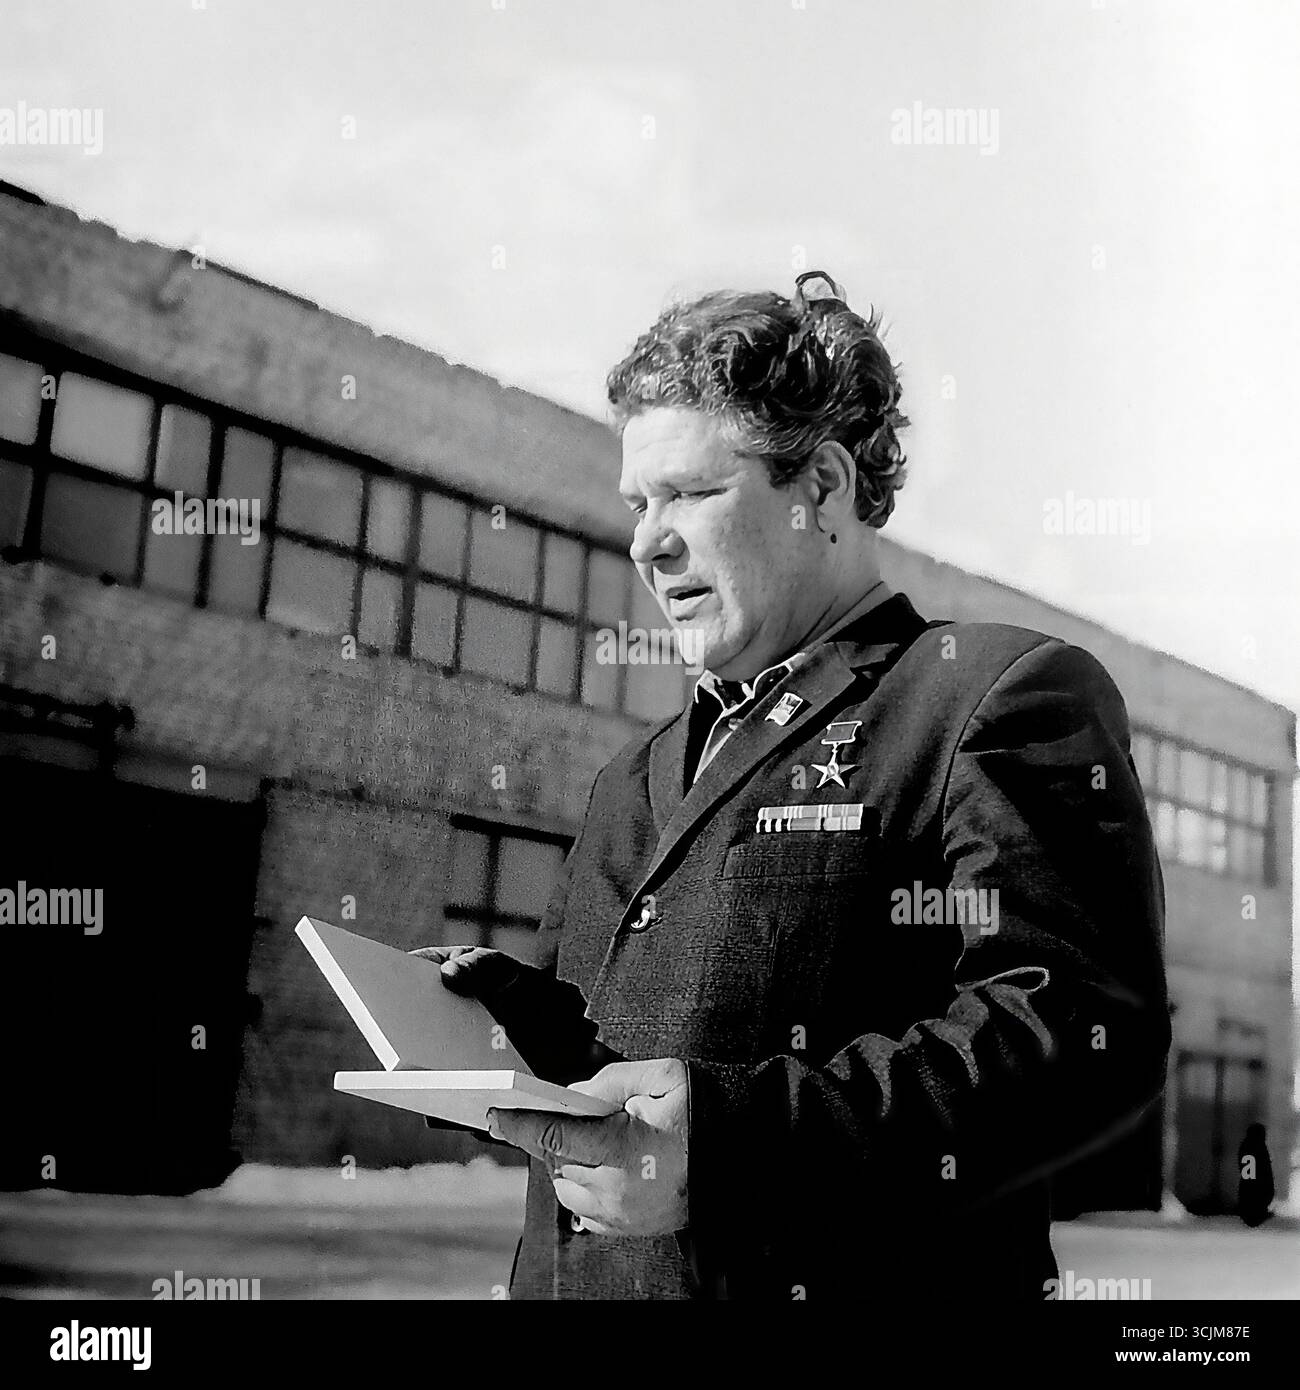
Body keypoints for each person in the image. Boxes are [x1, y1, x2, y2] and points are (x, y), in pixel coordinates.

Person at [413, 271, 1171, 1300]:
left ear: (820, 486)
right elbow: (628, 1072)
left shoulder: (992, 700)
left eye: (690, 492)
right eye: (638, 502)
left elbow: (1078, 1039)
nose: (646, 539)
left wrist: (730, 1145)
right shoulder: (631, 778)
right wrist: (502, 1026)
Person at [1236, 1122, 1275, 1227]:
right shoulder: (1257, 1145)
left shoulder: (1246, 1144)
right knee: (1255, 1195)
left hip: (1249, 1180)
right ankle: (1255, 1213)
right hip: (1256, 1181)